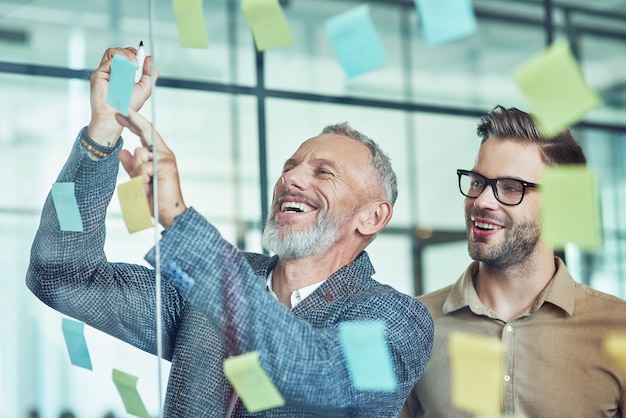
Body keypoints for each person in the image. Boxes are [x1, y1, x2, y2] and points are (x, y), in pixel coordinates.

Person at [26, 46, 434, 417]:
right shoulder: (209, 290)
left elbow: (320, 379)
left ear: (373, 217)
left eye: (323, 172)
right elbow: (63, 276)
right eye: (289, 167)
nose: (290, 179)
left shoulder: (394, 317)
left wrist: (178, 219)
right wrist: (102, 135)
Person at [401, 105, 626, 417]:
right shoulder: (413, 327)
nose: (481, 201)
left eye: (510, 188)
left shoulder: (619, 328)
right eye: (478, 181)